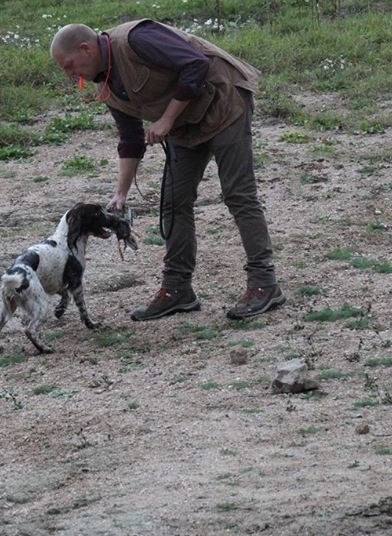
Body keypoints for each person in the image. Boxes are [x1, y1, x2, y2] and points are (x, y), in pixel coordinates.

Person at [50, 21, 285, 322]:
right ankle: (177, 290)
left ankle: (264, 284)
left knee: (239, 195)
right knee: (173, 204)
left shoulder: (137, 39)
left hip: (225, 102)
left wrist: (167, 119)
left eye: (70, 66)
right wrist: (120, 194)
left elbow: (195, 65)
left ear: (86, 48)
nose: (71, 76)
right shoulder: (107, 85)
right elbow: (131, 139)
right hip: (186, 125)